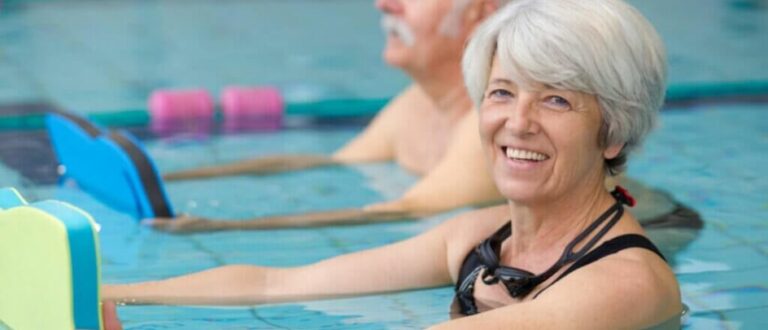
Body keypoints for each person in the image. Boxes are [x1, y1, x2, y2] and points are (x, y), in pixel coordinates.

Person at [104, 0, 683, 327]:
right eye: (502, 92)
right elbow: (279, 281)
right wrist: (113, 291)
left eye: (556, 99)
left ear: (613, 131)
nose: (518, 121)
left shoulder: (623, 285)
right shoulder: (479, 236)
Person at [145, 0, 511, 232]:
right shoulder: (418, 102)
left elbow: (403, 211)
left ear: (482, 12)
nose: (384, 4)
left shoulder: (487, 132)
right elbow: (331, 163)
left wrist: (218, 227)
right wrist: (164, 176)